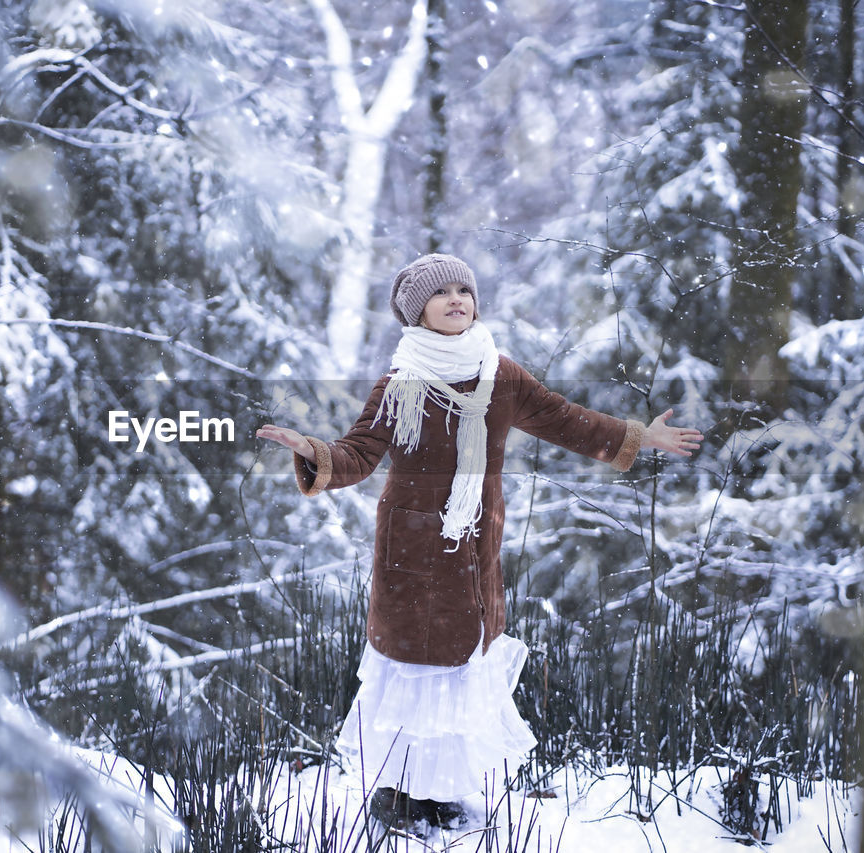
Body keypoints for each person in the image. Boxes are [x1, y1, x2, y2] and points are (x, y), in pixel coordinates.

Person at [257, 253, 703, 834]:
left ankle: (440, 792)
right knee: (413, 667)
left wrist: (638, 436)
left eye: (464, 288)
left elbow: (566, 419)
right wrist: (311, 451)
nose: (456, 298)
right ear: (418, 312)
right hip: (412, 547)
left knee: (461, 665)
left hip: (471, 543)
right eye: (440, 292)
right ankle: (398, 793)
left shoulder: (502, 375)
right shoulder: (402, 381)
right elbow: (359, 454)